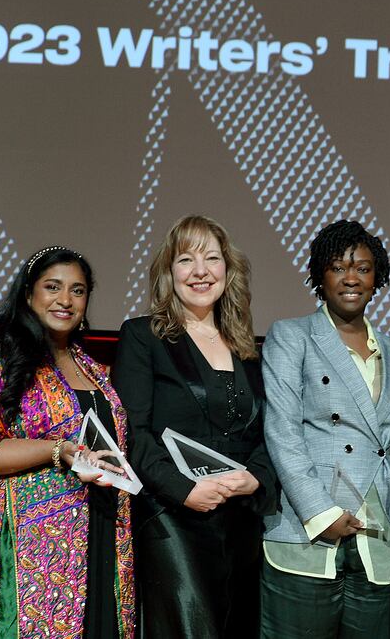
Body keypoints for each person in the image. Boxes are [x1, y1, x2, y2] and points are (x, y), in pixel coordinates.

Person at [0, 246, 136, 637]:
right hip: (30, 539)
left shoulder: (93, 367)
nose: (65, 300)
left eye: (77, 290)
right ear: (28, 293)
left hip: (101, 528)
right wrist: (58, 451)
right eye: (53, 287)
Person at [111, 215, 276, 638]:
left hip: (241, 524)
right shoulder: (143, 337)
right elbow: (133, 433)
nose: (200, 271)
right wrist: (184, 490)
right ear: (169, 272)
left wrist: (255, 478)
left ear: (228, 269)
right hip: (172, 519)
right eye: (186, 259)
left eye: (212, 258)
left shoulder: (247, 348)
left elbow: (267, 432)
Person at [259, 220, 390, 638]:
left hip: (376, 533)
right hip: (308, 527)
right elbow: (282, 430)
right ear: (320, 276)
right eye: (338, 267)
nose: (351, 278)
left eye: (362, 268)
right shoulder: (292, 336)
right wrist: (321, 513)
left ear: (377, 278)